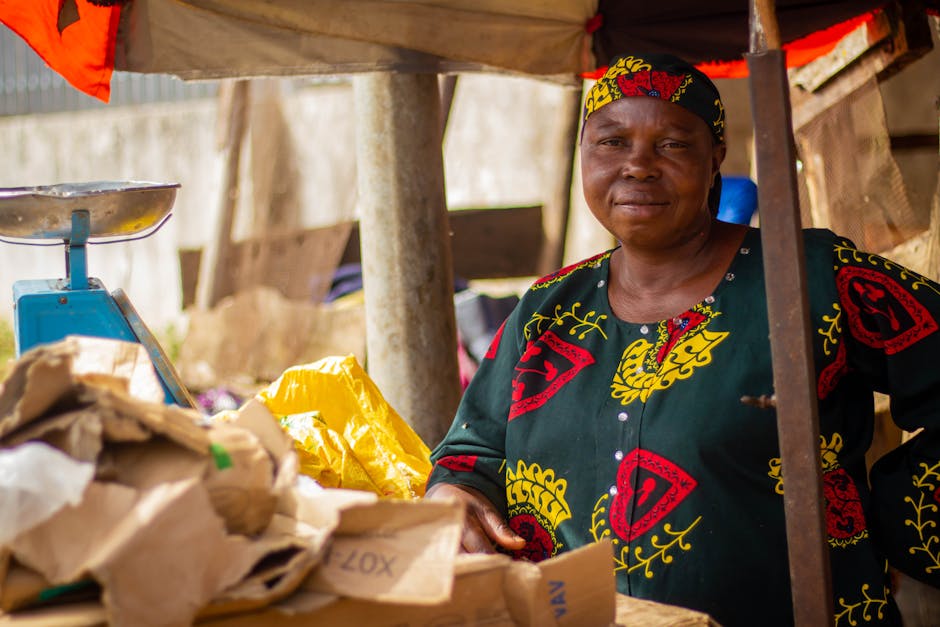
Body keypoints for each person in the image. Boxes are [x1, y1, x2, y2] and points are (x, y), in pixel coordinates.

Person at [424, 52, 940, 626]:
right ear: (584, 155)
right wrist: (453, 494)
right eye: (611, 142)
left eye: (671, 144)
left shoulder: (813, 277)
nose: (638, 166)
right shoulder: (545, 314)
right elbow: (473, 452)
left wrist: (897, 517)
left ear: (715, 158)